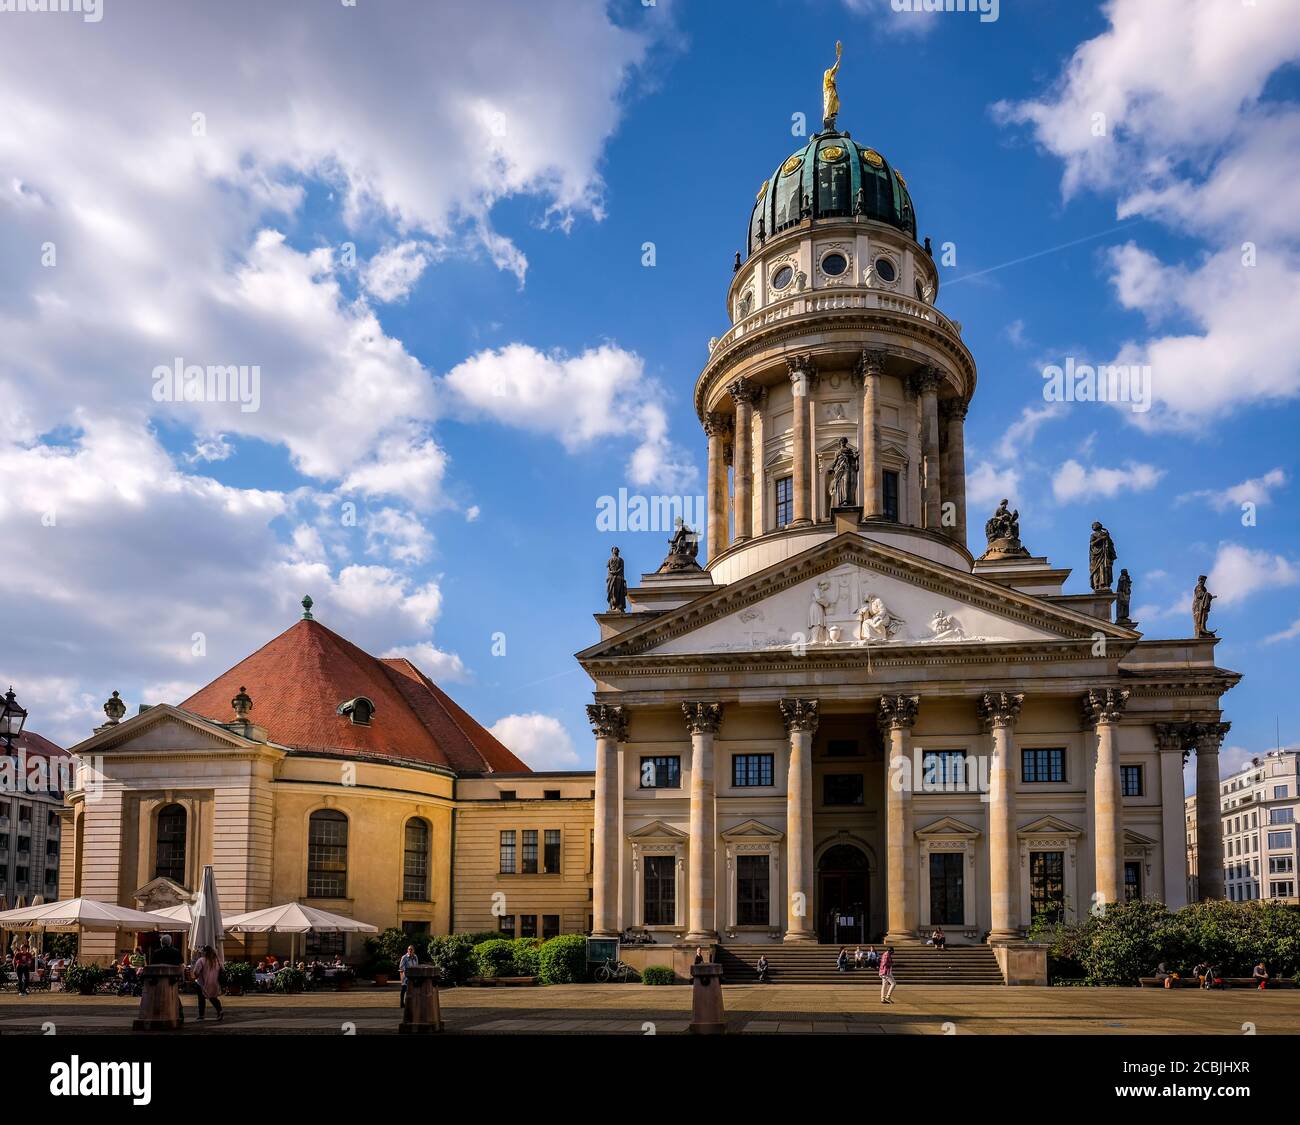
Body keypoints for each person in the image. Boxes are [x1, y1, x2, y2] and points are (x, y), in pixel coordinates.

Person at [151, 933, 184, 1022]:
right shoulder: (176, 952)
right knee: (174, 996)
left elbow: (152, 967)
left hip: (159, 979)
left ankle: (159, 1013)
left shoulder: (156, 953)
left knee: (159, 996)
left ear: (161, 943)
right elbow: (181, 966)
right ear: (170, 942)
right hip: (173, 979)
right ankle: (179, 1013)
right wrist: (181, 977)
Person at [191, 944, 225, 1022]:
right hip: (214, 983)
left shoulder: (201, 960)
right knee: (213, 998)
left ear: (204, 952)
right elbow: (222, 969)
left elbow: (196, 972)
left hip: (202, 983)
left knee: (201, 999)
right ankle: (220, 1011)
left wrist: (195, 976)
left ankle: (201, 1015)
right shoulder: (217, 960)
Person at [398, 944, 419, 1009]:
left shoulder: (415, 957)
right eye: (409, 949)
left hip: (413, 976)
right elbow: (401, 966)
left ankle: (411, 1003)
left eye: (411, 949)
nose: (410, 950)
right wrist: (406, 970)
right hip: (406, 976)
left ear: (413, 951)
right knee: (404, 989)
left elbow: (417, 965)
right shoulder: (404, 957)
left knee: (413, 990)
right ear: (407, 950)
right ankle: (402, 1003)